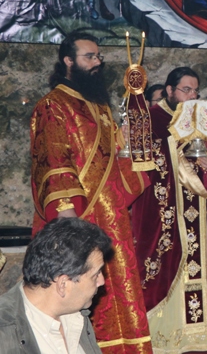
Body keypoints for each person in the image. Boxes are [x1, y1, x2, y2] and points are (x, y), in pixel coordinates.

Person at [29, 31, 152, 353]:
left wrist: (129, 146)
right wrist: (68, 219)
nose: (97, 62)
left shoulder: (98, 106)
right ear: (68, 61)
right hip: (79, 215)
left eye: (98, 56)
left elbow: (112, 164)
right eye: (89, 57)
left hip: (111, 218)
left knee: (115, 289)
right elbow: (52, 160)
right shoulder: (53, 105)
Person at [131, 67, 207, 354]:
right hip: (169, 212)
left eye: (195, 91)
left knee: (203, 263)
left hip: (203, 212)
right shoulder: (153, 119)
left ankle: (205, 331)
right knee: (171, 262)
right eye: (186, 90)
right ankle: (169, 333)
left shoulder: (202, 116)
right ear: (169, 91)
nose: (192, 96)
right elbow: (144, 161)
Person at [0, 217, 111, 353]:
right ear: (63, 285)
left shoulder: (76, 316)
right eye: (95, 275)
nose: (101, 281)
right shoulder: (5, 334)